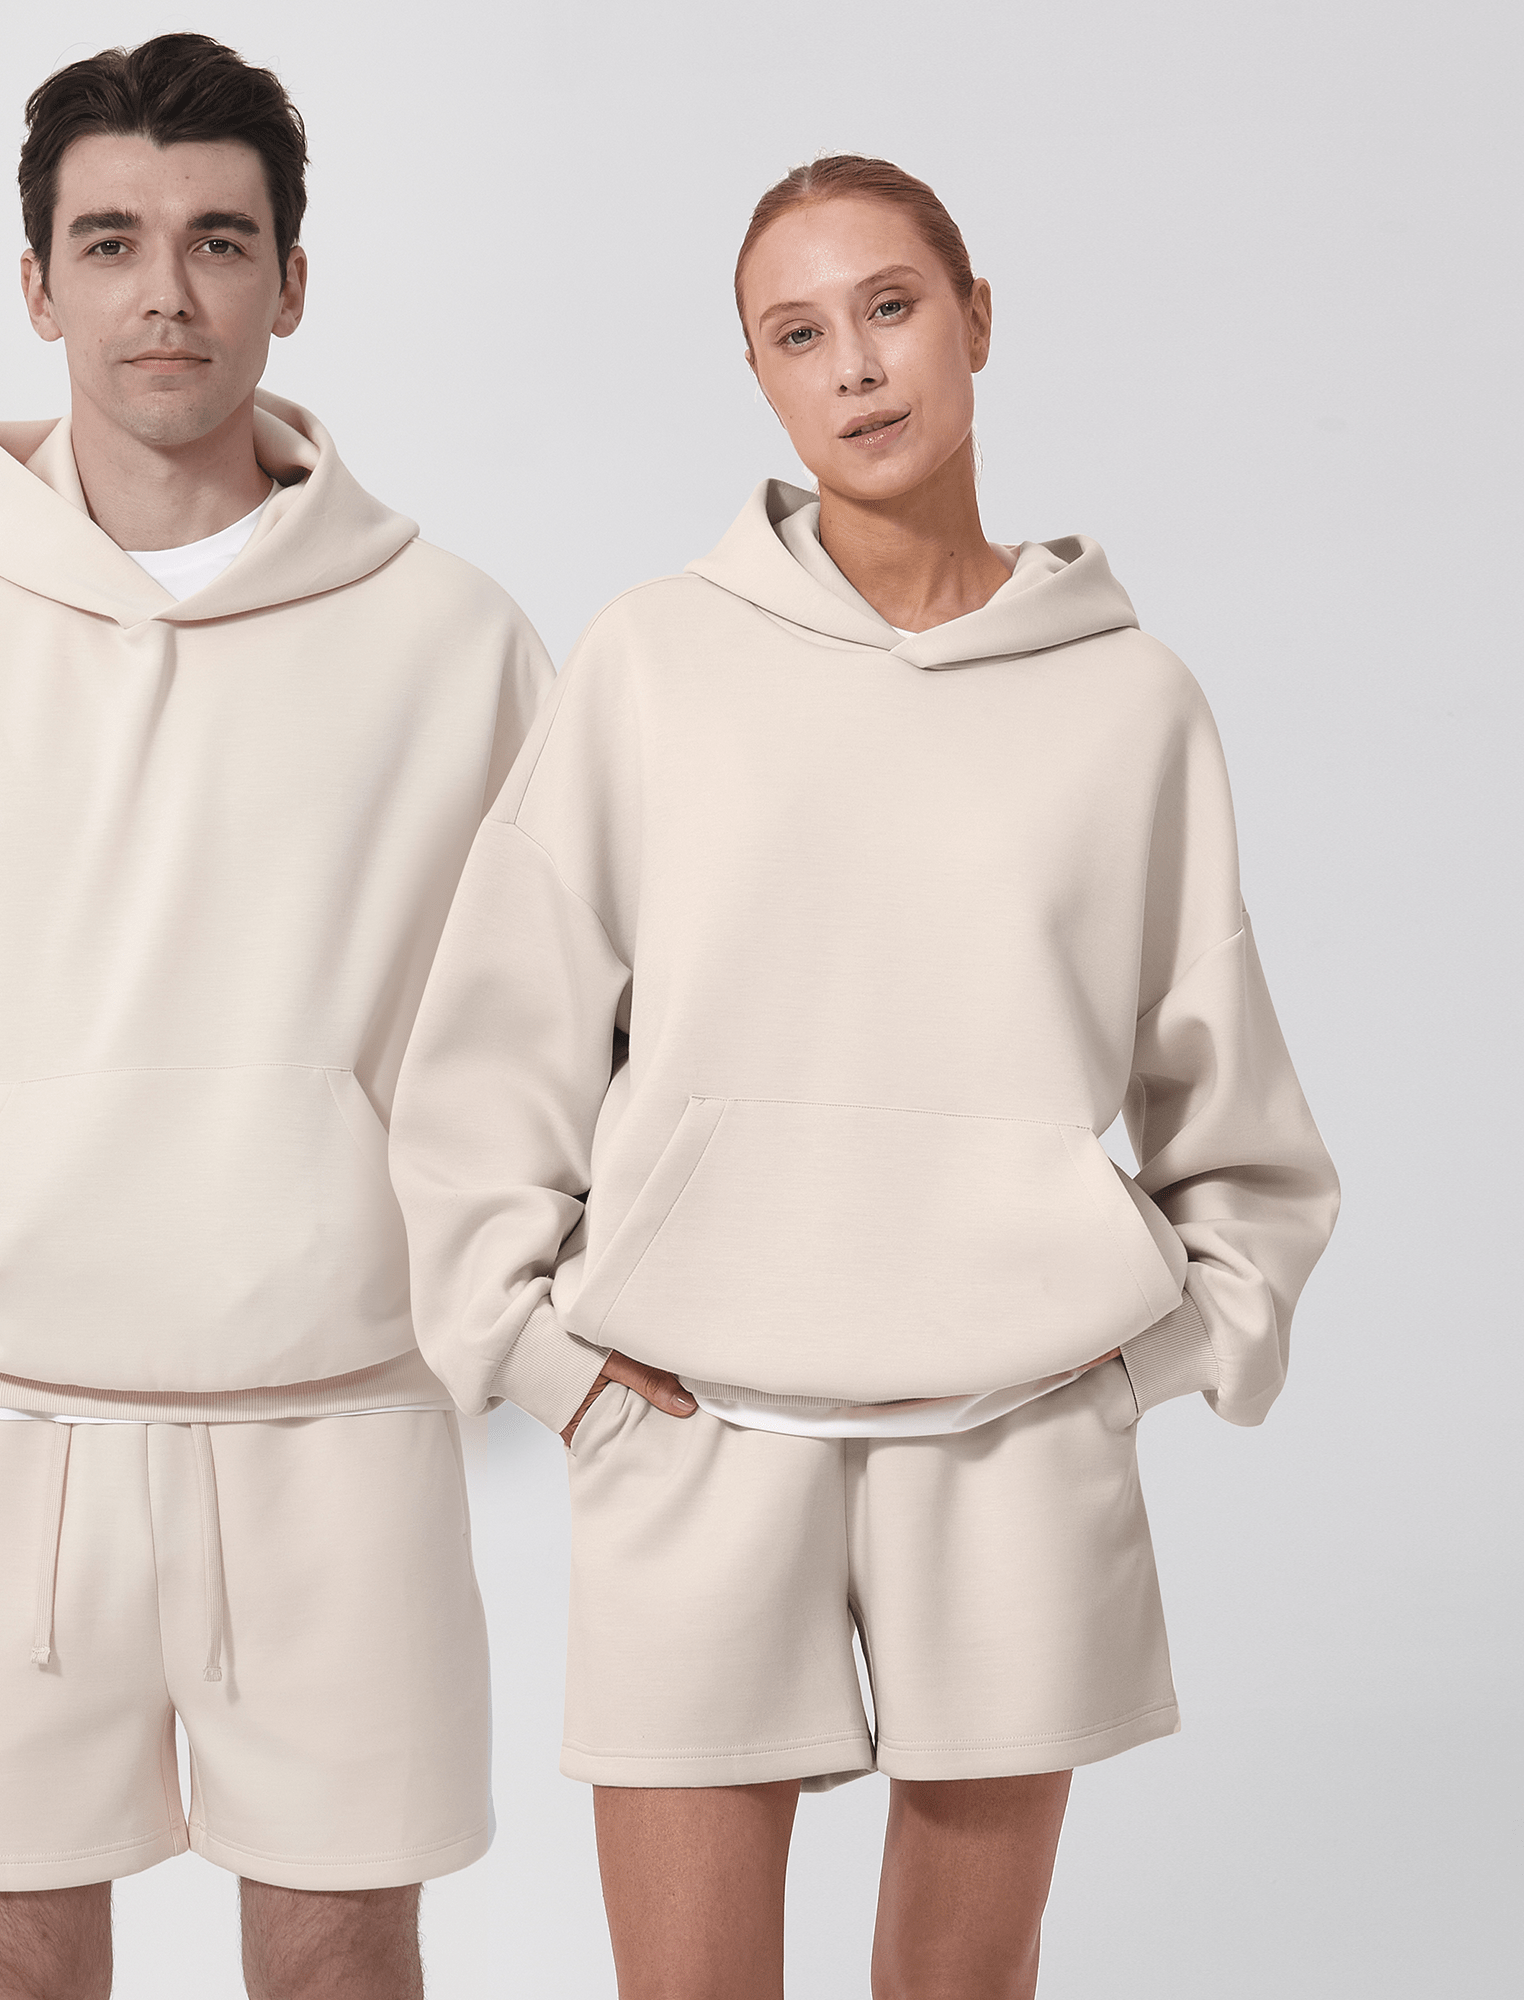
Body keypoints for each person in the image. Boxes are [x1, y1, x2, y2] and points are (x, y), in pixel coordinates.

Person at [388, 155, 1340, 1999]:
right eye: (797, 333)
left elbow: (1238, 1123)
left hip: (1016, 1437)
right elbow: (493, 1055)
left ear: (977, 318)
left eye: (892, 307)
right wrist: (543, 1362)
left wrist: (1137, 1368)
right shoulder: (655, 661)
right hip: (690, 1427)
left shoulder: (1131, 702)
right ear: (758, 377)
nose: (856, 366)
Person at [0, 33, 550, 2000]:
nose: (166, 291)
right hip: (4, 1405)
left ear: (292, 281)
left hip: (343, 1410)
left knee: (342, 1964)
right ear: (37, 285)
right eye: (111, 242)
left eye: (219, 241)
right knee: (4, 1965)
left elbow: (570, 1023)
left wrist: (477, 1263)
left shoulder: (455, 641)